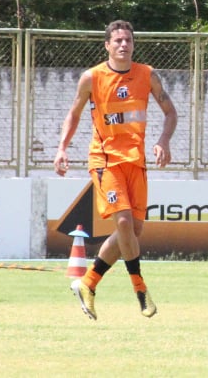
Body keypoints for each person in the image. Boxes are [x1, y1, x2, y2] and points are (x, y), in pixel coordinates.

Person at [55, 20, 177, 320]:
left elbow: (170, 111)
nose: (124, 45)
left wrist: (163, 140)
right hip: (105, 160)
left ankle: (88, 283)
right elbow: (73, 114)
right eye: (118, 40)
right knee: (123, 224)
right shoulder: (92, 77)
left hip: (136, 162)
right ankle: (140, 288)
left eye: (128, 40)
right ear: (107, 45)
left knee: (132, 234)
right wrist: (62, 148)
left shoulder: (147, 75)